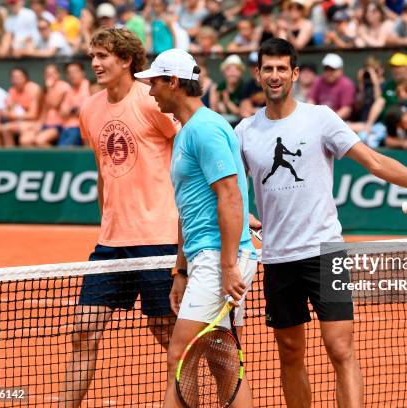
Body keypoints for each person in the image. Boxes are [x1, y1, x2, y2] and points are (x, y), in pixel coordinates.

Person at [235, 38, 407, 408]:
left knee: (340, 348)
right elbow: (228, 190)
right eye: (267, 68)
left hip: (327, 252)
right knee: (289, 353)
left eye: (281, 69)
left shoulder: (320, 118)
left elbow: (374, 161)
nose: (274, 76)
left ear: (295, 74)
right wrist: (245, 216)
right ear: (258, 74)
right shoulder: (244, 131)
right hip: (276, 258)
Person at [59, 28, 179, 408]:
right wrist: (107, 219)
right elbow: (103, 169)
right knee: (84, 332)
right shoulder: (89, 109)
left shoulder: (152, 101)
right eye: (92, 56)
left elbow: (188, 149)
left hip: (159, 237)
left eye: (103, 56)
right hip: (111, 244)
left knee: (168, 333)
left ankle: (209, 390)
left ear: (126, 60)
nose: (95, 63)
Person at [134, 47, 258, 408]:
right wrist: (181, 269)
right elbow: (189, 209)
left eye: (155, 83)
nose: (151, 91)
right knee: (223, 360)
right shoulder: (190, 130)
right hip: (205, 258)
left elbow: (230, 196)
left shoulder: (204, 129)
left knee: (180, 354)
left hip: (219, 259)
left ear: (173, 82)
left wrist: (228, 265)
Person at [307, 53, 355, 120]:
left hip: (341, 122)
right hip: (319, 120)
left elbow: (346, 110)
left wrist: (329, 120)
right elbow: (311, 101)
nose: (329, 72)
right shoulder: (318, 81)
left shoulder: (347, 84)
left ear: (340, 70)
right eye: (326, 69)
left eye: (332, 69)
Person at [58, 62, 90, 146]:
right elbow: (62, 112)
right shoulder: (69, 90)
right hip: (66, 127)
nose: (72, 75)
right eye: (69, 73)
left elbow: (84, 111)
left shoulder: (88, 86)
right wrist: (73, 110)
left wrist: (71, 110)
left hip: (80, 129)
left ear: (82, 73)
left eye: (75, 71)